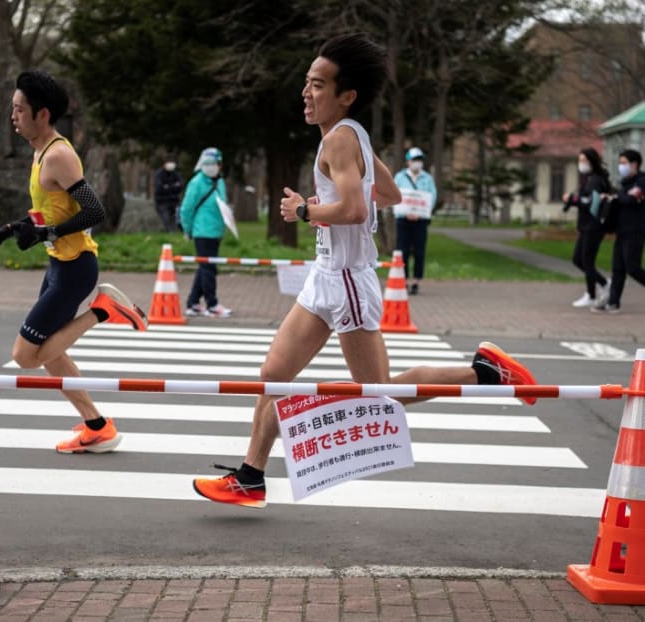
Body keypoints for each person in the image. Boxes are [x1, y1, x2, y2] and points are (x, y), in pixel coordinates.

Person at [192, 33, 537, 509]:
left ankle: (485, 373)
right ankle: (250, 477)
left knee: (381, 395)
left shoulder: (339, 139)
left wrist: (306, 212)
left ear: (346, 95)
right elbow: (389, 194)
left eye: (318, 85)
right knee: (273, 374)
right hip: (326, 276)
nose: (306, 93)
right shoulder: (351, 135)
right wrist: (328, 202)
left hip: (350, 280)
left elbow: (356, 209)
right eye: (307, 83)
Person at [0, 69, 148, 454]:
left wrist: (44, 235)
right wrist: (11, 229)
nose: (14, 116)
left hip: (75, 269)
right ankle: (97, 426)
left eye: (20, 109)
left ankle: (103, 310)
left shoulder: (58, 155)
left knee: (25, 356)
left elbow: (94, 211)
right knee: (50, 354)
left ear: (42, 115)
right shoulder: (40, 151)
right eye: (13, 109)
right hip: (60, 264)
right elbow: (52, 210)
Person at [180, 147, 232, 318]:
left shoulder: (220, 181)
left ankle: (193, 303)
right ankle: (212, 304)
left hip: (216, 231)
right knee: (208, 269)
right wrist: (187, 230)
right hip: (202, 232)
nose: (212, 166)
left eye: (215, 163)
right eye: (208, 163)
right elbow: (186, 209)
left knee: (205, 267)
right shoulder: (196, 182)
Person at [592, 148, 645, 313]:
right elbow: (622, 199)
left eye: (624, 163)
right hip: (622, 231)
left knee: (632, 267)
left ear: (634, 164)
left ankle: (613, 301)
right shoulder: (625, 184)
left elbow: (631, 199)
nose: (621, 166)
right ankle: (613, 303)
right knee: (618, 268)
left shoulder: (642, 182)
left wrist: (615, 198)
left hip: (635, 231)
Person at [562, 147, 612, 308]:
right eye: (579, 160)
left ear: (592, 161)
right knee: (579, 259)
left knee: (586, 261)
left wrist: (573, 199)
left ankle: (599, 288)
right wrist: (573, 199)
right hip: (586, 226)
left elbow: (592, 202)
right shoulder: (588, 179)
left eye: (584, 160)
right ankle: (597, 289)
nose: (581, 164)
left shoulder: (596, 180)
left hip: (594, 226)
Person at [393, 146, 437, 295]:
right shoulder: (399, 177)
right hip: (403, 220)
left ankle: (416, 281)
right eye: (414, 160)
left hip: (420, 220)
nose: (417, 163)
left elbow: (432, 197)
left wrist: (422, 213)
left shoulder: (428, 178)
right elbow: (394, 195)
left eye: (419, 160)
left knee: (419, 251)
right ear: (408, 162)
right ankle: (403, 280)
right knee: (402, 251)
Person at [153, 154, 184, 233]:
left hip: (175, 200)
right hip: (162, 201)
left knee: (179, 217)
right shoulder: (159, 174)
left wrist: (168, 187)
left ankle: (181, 232)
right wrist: (174, 186)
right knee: (166, 218)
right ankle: (170, 233)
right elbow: (159, 188)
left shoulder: (176, 174)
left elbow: (180, 186)